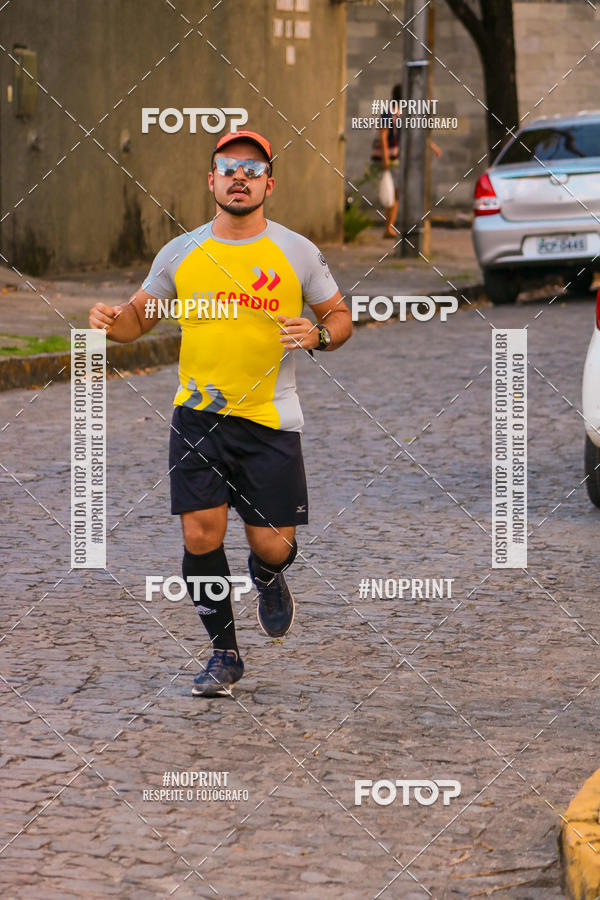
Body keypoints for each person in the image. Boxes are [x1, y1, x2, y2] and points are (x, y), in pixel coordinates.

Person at [89, 129, 353, 697]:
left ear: (268, 184)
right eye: (228, 167)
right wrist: (114, 324)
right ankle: (224, 654)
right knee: (202, 535)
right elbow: (141, 318)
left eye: (252, 169)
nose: (240, 176)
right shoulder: (181, 252)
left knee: (272, 544)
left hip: (269, 421)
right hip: (197, 420)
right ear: (211, 180)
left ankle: (268, 574)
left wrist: (319, 335)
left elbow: (340, 317)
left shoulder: (297, 251)